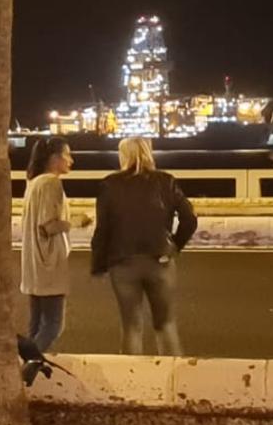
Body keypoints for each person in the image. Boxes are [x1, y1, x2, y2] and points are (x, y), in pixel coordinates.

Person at [91, 137, 198, 356]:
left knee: (131, 326)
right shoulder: (166, 181)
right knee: (165, 323)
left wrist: (99, 264)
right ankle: (173, 378)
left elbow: (103, 229)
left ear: (123, 155)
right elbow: (189, 219)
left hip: (122, 262)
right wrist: (174, 246)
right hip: (160, 259)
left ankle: (133, 381)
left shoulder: (109, 184)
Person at [20, 137, 84, 353]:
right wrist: (76, 222)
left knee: (36, 323)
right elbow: (48, 226)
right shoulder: (51, 183)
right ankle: (29, 365)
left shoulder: (33, 182)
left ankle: (23, 362)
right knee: (53, 325)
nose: (71, 160)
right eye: (67, 155)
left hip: (33, 263)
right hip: (48, 262)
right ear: (54, 158)